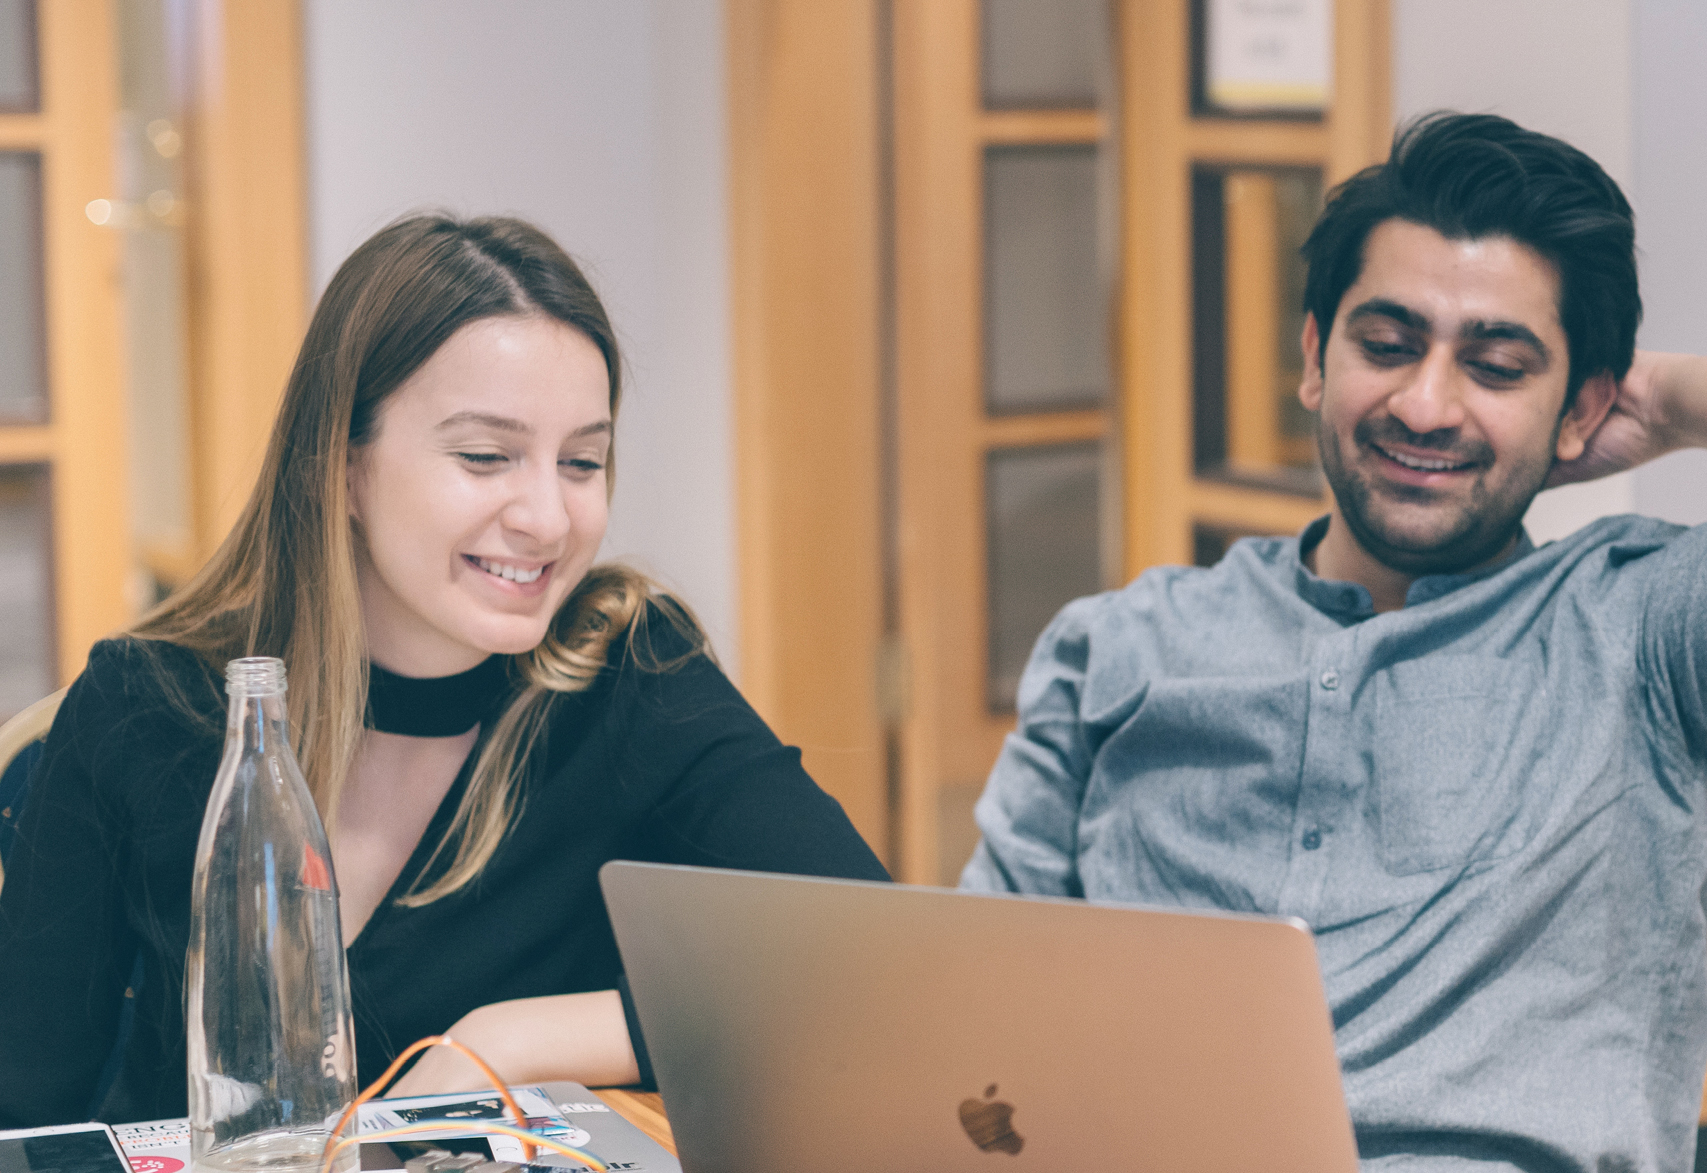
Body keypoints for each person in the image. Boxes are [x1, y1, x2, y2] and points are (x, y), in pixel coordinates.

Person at [0, 214, 888, 1128]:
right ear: (343, 467)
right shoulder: (142, 708)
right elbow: (21, 1109)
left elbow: (875, 957)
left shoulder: (625, 672)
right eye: (484, 456)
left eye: (582, 460)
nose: (548, 516)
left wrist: (501, 1043)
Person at [961, 112, 1707, 1170]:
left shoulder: (1647, 626)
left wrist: (1675, 401)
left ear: (1583, 409)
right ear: (1315, 358)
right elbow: (969, 1010)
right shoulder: (1119, 645)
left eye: (1496, 367)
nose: (1425, 403)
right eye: (1387, 346)